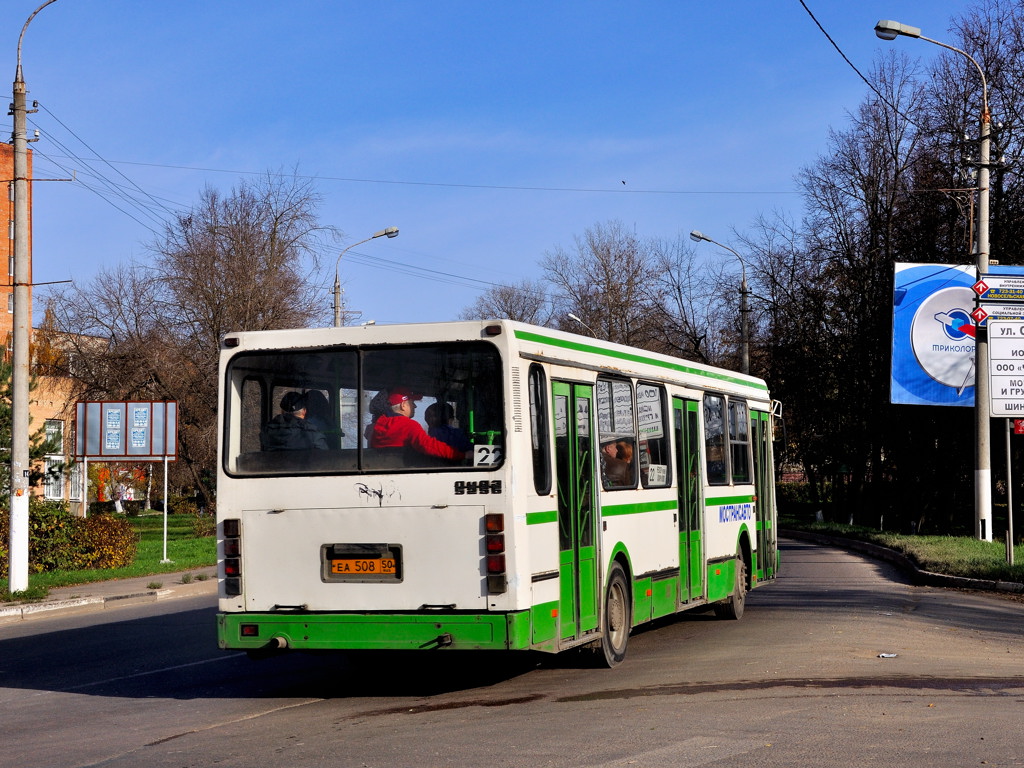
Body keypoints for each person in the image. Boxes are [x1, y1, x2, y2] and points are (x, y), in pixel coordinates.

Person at [369, 387, 468, 461]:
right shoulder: (408, 425)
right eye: (412, 403)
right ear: (403, 405)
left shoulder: (379, 425)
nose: (415, 406)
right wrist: (462, 455)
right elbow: (429, 446)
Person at [261, 391, 328, 451]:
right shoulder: (313, 435)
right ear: (304, 411)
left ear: (282, 411)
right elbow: (324, 459)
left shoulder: (267, 431)